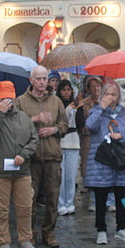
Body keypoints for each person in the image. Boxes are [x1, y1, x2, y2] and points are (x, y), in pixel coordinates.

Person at [0, 81, 39, 248]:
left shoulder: (23, 117)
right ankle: (4, 243)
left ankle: (25, 240)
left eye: (10, 98)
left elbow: (34, 139)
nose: (8, 101)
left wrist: (24, 154)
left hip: (21, 172)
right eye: (4, 98)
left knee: (25, 208)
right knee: (0, 210)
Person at [14, 65, 67, 248]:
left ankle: (49, 233)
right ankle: (30, 234)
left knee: (52, 198)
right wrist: (34, 119)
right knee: (29, 199)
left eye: (45, 78)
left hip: (52, 156)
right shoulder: (21, 101)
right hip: (31, 157)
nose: (42, 82)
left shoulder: (56, 101)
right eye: (39, 79)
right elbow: (14, 126)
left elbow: (64, 125)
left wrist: (54, 129)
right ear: (31, 80)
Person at [85, 82, 125, 245]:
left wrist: (121, 135)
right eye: (107, 94)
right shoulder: (96, 111)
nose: (111, 97)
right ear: (102, 96)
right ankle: (101, 230)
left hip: (121, 162)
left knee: (121, 194)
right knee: (101, 196)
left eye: (114, 94)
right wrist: (101, 107)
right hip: (101, 161)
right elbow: (90, 126)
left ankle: (121, 228)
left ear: (118, 96)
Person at [57, 80, 80, 216]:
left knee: (71, 177)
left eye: (68, 89)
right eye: (64, 90)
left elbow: (80, 122)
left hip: (73, 142)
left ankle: (70, 203)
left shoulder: (76, 104)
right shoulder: (58, 104)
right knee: (61, 176)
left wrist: (78, 108)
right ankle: (61, 204)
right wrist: (68, 110)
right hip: (61, 142)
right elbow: (61, 121)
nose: (66, 92)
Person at [76, 76, 103, 182]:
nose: (96, 88)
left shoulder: (106, 102)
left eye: (98, 86)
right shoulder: (84, 103)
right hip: (88, 140)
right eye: (93, 86)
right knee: (87, 166)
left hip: (103, 139)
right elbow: (81, 124)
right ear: (88, 88)